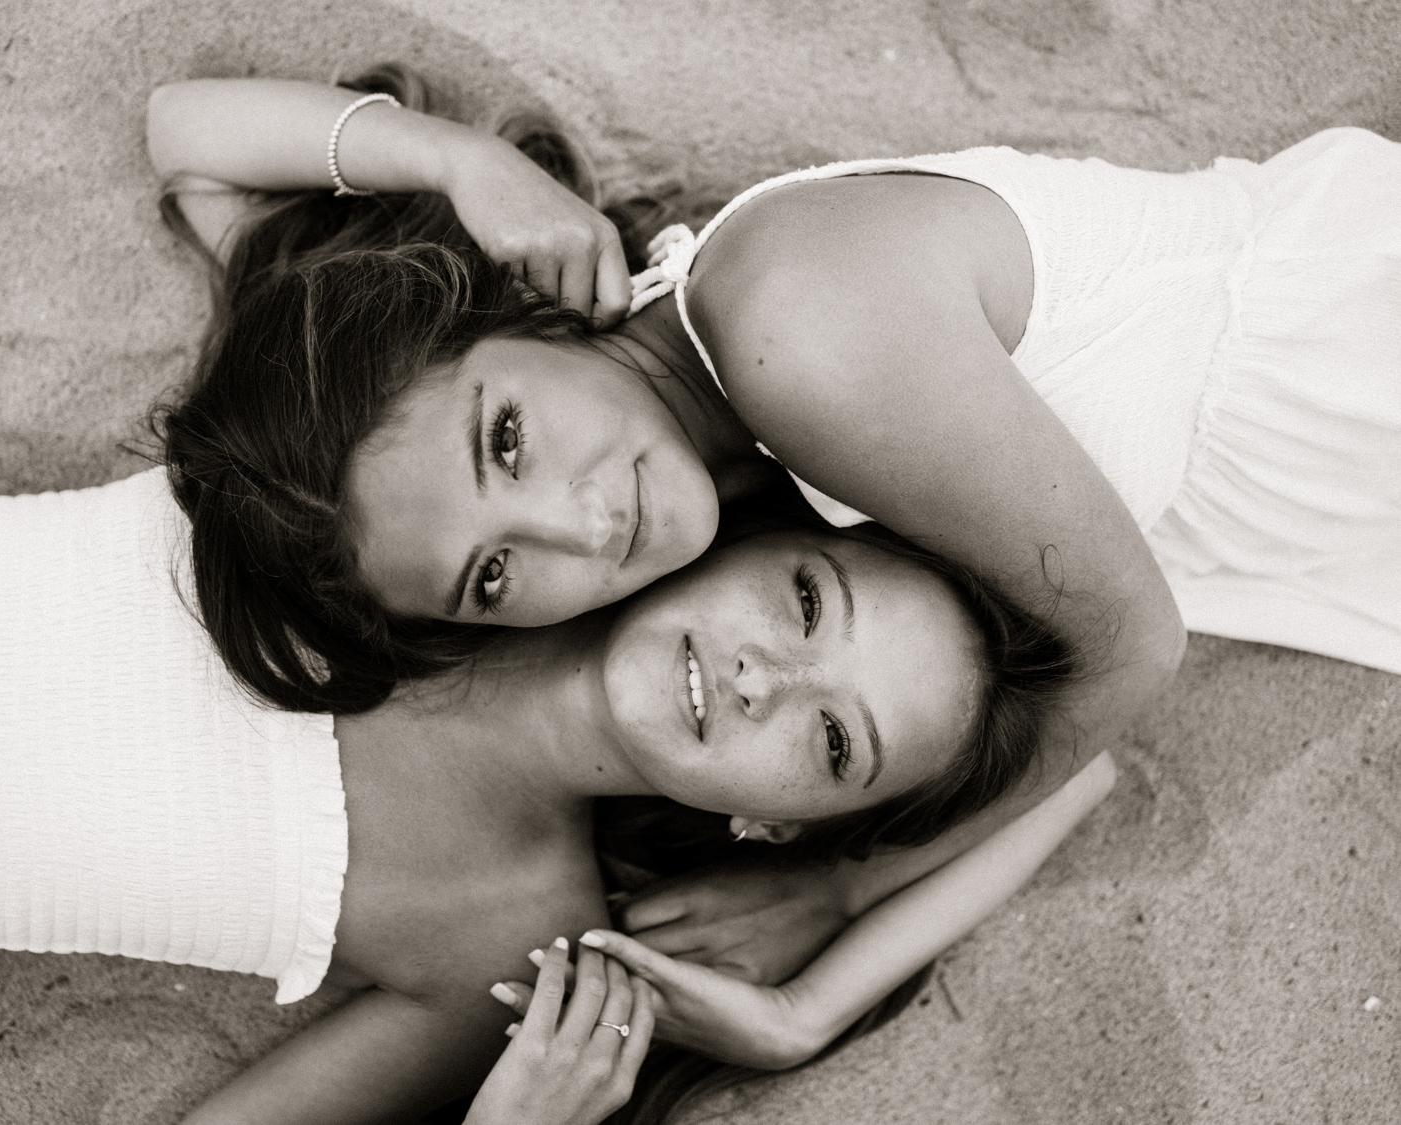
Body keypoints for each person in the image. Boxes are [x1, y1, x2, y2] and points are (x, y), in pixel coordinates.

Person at [149, 76, 1399, 882]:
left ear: (506, 311)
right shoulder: (656, 422)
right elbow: (190, 151)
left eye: (508, 441)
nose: (578, 526)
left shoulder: (795, 334)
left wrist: (463, 166)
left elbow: (1129, 656)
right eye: (491, 573)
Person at [0, 464, 1112, 1123]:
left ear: (777, 826)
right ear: (744, 538)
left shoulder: (514, 942)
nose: (763, 678)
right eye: (803, 603)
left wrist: (824, 963)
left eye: (833, 741)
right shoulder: (467, 497)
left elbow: (1095, 765)